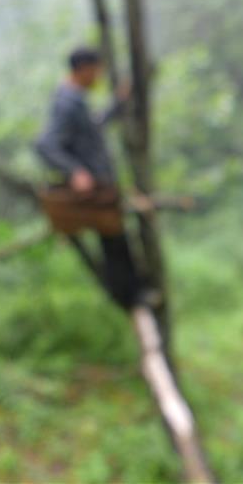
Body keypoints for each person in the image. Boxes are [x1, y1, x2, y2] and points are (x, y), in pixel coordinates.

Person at [35, 46, 141, 307]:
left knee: (116, 240)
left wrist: (117, 103)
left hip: (103, 189)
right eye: (96, 70)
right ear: (83, 69)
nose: (98, 76)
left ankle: (132, 295)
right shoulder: (66, 101)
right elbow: (45, 144)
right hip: (94, 193)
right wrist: (75, 172)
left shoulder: (75, 99)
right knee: (114, 243)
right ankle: (130, 298)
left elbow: (91, 128)